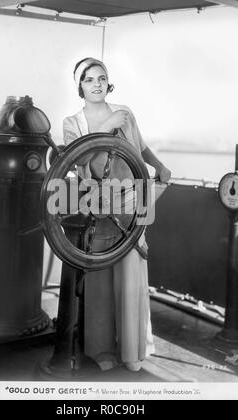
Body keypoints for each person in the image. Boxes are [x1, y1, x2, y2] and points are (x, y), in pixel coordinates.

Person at [63, 57, 171, 372]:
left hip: (133, 201)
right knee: (98, 277)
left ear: (108, 83)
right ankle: (101, 351)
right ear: (79, 87)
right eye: (89, 79)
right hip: (98, 205)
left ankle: (133, 350)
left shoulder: (125, 113)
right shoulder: (73, 123)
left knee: (133, 274)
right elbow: (78, 160)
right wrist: (104, 128)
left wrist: (159, 166)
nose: (96, 84)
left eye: (101, 78)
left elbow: (139, 147)